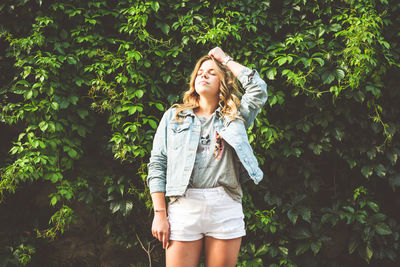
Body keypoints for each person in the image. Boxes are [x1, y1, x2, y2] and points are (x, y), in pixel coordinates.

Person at [147, 47, 268, 267]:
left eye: (211, 72)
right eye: (200, 72)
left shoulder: (235, 115)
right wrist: (159, 213)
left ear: (223, 83)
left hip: (224, 204)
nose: (203, 74)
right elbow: (157, 164)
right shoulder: (174, 118)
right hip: (183, 206)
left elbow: (258, 88)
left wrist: (225, 59)